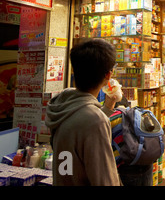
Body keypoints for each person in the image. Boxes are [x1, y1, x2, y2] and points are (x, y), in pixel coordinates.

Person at [45, 39, 121, 186]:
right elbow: (104, 180)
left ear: (74, 69)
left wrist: (107, 107)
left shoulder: (62, 104)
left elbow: (79, 133)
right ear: (108, 75)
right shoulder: (94, 120)